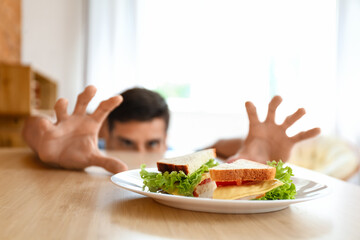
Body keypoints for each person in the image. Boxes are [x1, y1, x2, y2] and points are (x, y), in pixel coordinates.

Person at [22, 85, 320, 173]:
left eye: (152, 144)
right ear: (105, 134)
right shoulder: (86, 153)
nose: (141, 153)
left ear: (166, 139)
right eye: (126, 143)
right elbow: (30, 129)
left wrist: (249, 151)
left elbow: (219, 146)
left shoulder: (179, 159)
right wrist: (40, 134)